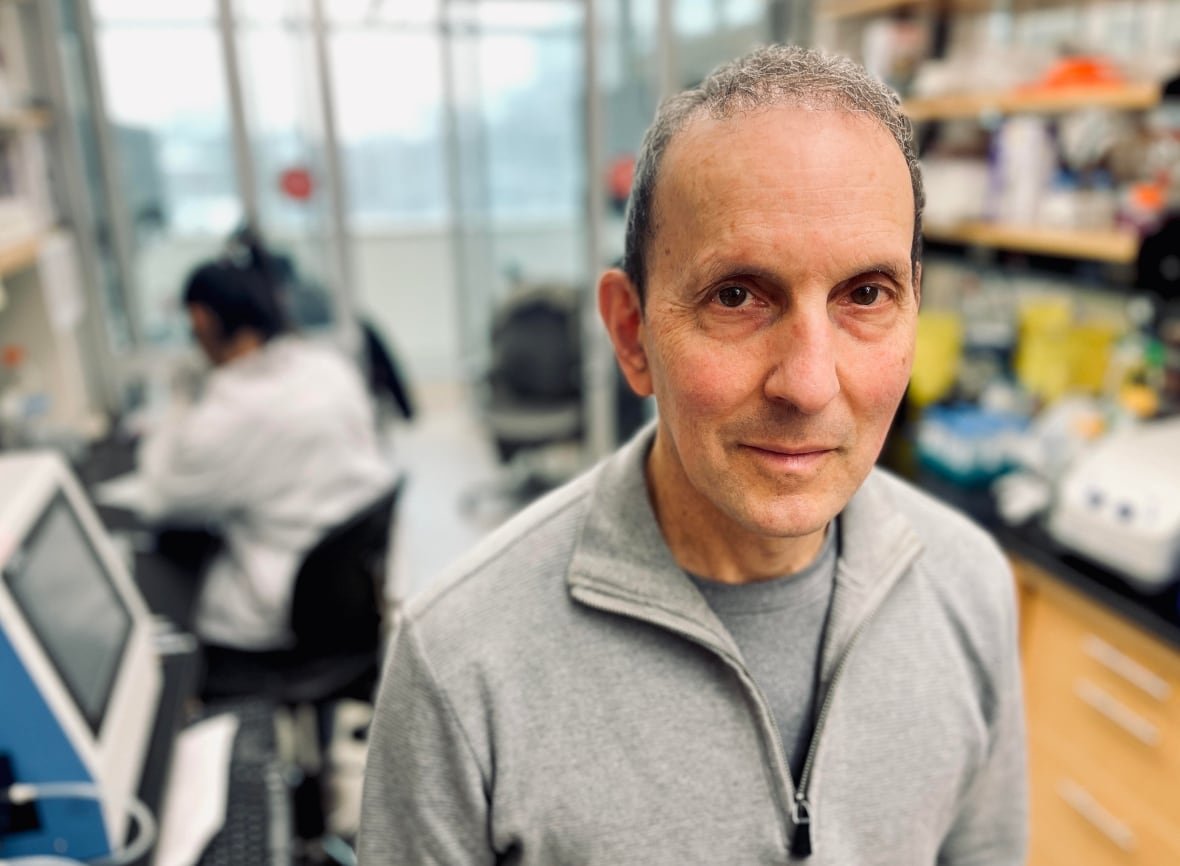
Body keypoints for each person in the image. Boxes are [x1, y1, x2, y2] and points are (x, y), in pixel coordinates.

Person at [358, 44, 1027, 865]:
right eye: (738, 295)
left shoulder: (968, 589)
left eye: (865, 295)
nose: (809, 383)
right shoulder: (460, 665)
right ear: (633, 335)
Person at [136, 249, 395, 653]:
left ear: (201, 319)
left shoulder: (227, 415)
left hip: (285, 605)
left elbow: (158, 498)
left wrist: (181, 403)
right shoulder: (329, 367)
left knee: (159, 581)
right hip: (357, 593)